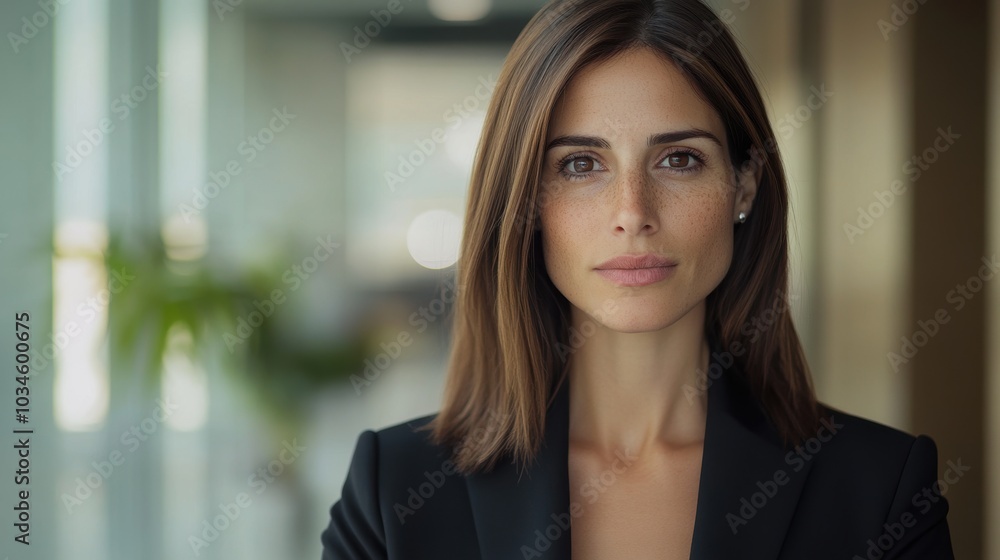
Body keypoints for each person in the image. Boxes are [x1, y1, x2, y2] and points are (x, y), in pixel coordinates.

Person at [320, 0, 956, 558]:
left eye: (679, 160)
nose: (632, 214)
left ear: (744, 184)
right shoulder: (394, 490)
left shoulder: (880, 488)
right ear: (525, 203)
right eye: (579, 165)